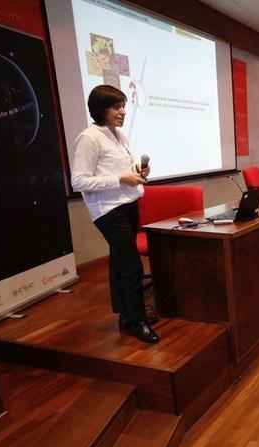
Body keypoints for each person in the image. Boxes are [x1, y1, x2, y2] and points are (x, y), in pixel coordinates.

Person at [70, 85, 158, 344]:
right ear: (101, 109)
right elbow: (79, 181)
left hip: (128, 203)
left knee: (119, 261)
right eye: (116, 106)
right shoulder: (89, 137)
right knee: (131, 264)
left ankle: (125, 315)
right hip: (108, 210)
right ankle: (138, 320)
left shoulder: (119, 135)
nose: (122, 111)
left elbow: (120, 170)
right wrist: (121, 179)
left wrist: (137, 173)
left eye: (123, 106)